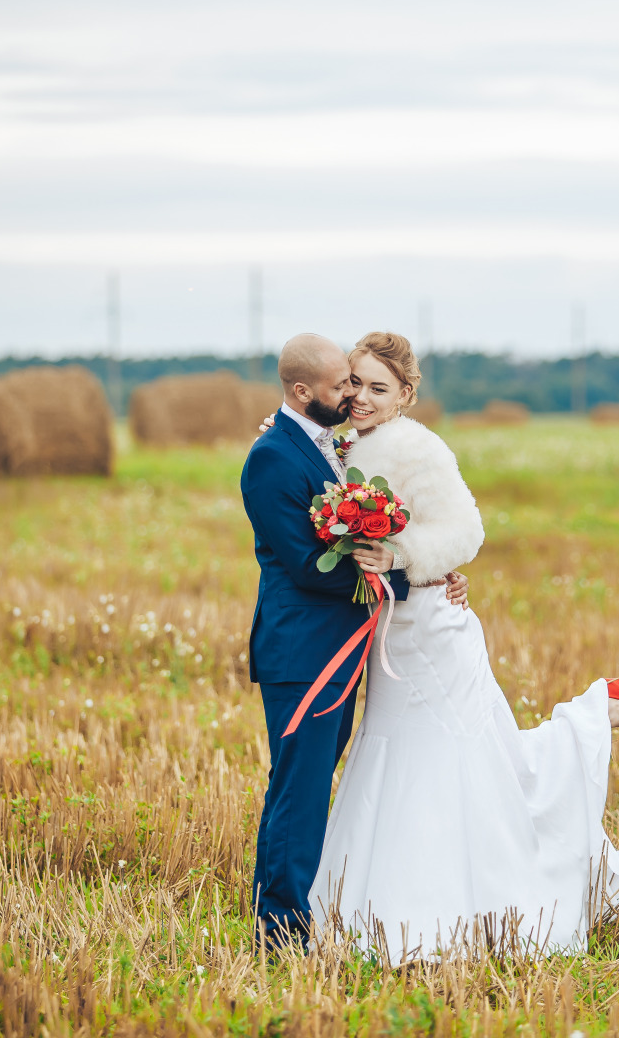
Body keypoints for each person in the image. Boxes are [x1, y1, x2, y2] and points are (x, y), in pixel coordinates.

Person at [298, 332, 619, 963]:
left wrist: (404, 557)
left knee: (472, 764)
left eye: (379, 388)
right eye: (355, 383)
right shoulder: (340, 441)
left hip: (433, 633)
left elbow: (465, 530)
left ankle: (600, 714)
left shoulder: (419, 447)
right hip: (387, 630)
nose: (361, 397)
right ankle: (379, 905)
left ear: (406, 395)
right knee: (403, 752)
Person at [239, 333, 469, 949]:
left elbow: (425, 525)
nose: (351, 396)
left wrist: (429, 565)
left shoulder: (328, 442)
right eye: (344, 385)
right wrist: (408, 576)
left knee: (306, 788)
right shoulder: (274, 457)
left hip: (341, 651)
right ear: (302, 391)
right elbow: (311, 565)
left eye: (362, 385)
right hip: (306, 653)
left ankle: (288, 915)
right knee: (301, 792)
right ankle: (280, 932)